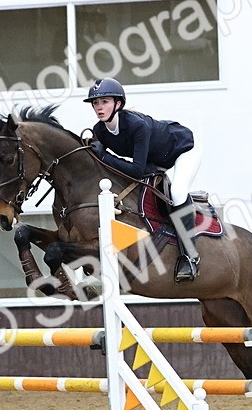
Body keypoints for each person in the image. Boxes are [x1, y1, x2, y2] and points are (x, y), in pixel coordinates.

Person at [84, 77, 202, 282]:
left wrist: (104, 156)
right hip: (154, 159)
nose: (99, 107)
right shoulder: (100, 130)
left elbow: (136, 170)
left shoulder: (137, 125)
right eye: (95, 103)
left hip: (183, 149)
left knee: (177, 193)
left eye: (105, 102)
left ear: (118, 104)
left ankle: (190, 256)